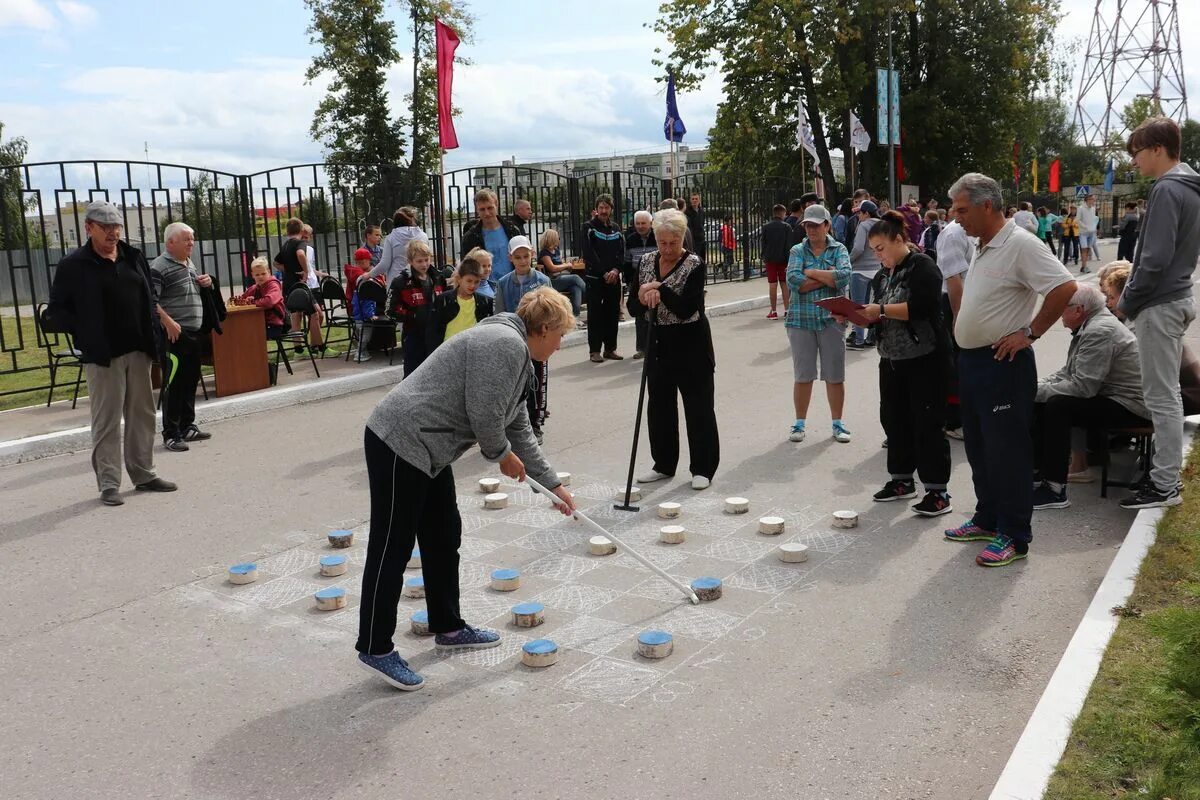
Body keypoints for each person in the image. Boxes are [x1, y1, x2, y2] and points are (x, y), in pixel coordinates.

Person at [355, 287, 577, 691]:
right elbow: (485, 414)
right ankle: (375, 646)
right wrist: (501, 455)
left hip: (429, 449)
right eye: (560, 336)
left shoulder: (517, 350)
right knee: (392, 545)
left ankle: (447, 625)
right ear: (543, 329)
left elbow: (516, 422)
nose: (560, 345)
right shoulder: (504, 344)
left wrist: (552, 484)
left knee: (443, 535)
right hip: (399, 440)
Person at [943, 172, 1076, 568]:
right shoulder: (981, 244)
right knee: (980, 447)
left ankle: (1015, 536)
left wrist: (1030, 333)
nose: (956, 218)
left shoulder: (1020, 243)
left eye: (962, 210)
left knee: (1008, 452)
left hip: (1004, 363)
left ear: (988, 206)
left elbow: (1064, 288)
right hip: (973, 362)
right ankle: (987, 518)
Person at [43, 200, 176, 506]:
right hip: (103, 355)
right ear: (88, 228)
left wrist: (153, 335)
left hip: (139, 349)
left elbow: (148, 297)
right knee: (107, 419)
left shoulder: (133, 256)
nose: (113, 233)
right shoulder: (74, 264)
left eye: (116, 226)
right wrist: (86, 330)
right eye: (105, 227)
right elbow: (57, 311)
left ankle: (144, 474)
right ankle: (108, 483)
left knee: (142, 416)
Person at [1116, 115, 1200, 509]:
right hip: (1176, 297)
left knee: (1161, 398)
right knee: (1166, 395)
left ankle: (1164, 485)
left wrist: (1126, 301)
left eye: (1136, 153)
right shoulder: (1189, 187)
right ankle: (1164, 479)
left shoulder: (1168, 189)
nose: (1134, 162)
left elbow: (1153, 260)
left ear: (1157, 150)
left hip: (1160, 303)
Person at [855, 210, 952, 516]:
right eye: (874, 251)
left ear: (899, 240)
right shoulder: (884, 275)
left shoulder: (923, 265)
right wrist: (856, 315)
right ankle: (901, 480)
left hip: (924, 358)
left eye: (881, 248)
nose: (878, 256)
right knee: (894, 419)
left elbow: (922, 307)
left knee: (927, 423)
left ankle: (937, 491)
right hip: (891, 358)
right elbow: (878, 315)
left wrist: (879, 309)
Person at [1030, 284, 1150, 510]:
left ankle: (1054, 488)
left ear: (1078, 310)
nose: (1057, 314)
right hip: (1115, 396)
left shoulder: (1099, 330)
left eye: (1062, 308)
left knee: (1058, 406)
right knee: (1043, 401)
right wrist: (1035, 388)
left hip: (1132, 405)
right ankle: (1038, 476)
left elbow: (1083, 388)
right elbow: (1068, 372)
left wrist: (1031, 392)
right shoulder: (1091, 324)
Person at [630, 208, 720, 491]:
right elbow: (633, 306)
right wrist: (644, 297)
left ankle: (703, 468)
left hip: (691, 343)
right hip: (658, 343)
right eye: (662, 242)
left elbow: (687, 309)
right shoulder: (645, 261)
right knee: (659, 407)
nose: (667, 249)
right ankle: (664, 464)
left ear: (682, 238)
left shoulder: (694, 264)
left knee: (699, 407)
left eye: (673, 242)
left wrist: (660, 289)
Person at [784, 204, 853, 445]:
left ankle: (837, 423)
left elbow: (844, 275)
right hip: (800, 319)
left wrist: (810, 272)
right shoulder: (797, 250)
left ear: (827, 225)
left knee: (834, 374)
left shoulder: (839, 248)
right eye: (807, 225)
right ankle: (799, 423)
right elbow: (794, 281)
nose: (811, 229)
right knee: (803, 374)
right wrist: (827, 277)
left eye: (816, 225)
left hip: (831, 319)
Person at [150, 221, 213, 452]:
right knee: (173, 384)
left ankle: (187, 426)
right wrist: (168, 322)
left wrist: (205, 283)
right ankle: (171, 433)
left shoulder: (188, 263)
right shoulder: (159, 266)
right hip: (174, 335)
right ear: (170, 242)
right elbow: (150, 301)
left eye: (192, 238)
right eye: (186, 238)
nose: (191, 242)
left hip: (192, 333)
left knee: (190, 381)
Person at [498, 236, 553, 444]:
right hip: (514, 342)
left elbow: (551, 308)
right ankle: (514, 425)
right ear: (510, 258)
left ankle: (536, 424)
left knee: (537, 383)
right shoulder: (504, 283)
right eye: (518, 257)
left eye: (526, 256)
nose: (522, 261)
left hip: (537, 342)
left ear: (532, 254)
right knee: (514, 386)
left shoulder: (542, 280)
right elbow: (500, 313)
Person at [581, 193, 625, 363]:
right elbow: (589, 253)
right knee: (595, 315)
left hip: (614, 279)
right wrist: (603, 273)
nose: (604, 210)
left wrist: (616, 270)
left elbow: (621, 252)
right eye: (601, 207)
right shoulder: (588, 227)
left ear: (611, 209)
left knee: (612, 314)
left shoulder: (616, 228)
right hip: (595, 279)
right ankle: (594, 351)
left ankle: (610, 349)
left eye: (607, 207)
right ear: (596, 209)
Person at [389, 239, 444, 377]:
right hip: (413, 335)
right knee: (412, 375)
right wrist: (413, 316)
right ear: (410, 261)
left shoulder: (438, 277)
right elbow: (390, 310)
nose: (424, 264)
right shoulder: (401, 282)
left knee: (435, 373)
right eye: (419, 261)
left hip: (436, 334)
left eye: (427, 260)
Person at [938, 219, 972, 439]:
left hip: (969, 302)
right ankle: (953, 420)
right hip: (954, 303)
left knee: (964, 363)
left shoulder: (976, 231)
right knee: (955, 364)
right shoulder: (953, 234)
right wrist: (958, 315)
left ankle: (962, 416)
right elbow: (953, 279)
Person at [431, 256, 493, 347]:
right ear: (459, 279)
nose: (472, 285)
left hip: (474, 349)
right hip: (447, 350)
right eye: (469, 281)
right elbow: (433, 331)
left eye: (477, 282)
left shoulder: (485, 302)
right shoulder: (443, 300)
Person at [461, 188, 522, 281]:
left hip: (513, 285)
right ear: (477, 210)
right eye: (482, 209)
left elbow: (523, 256)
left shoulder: (512, 230)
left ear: (496, 205)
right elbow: (466, 268)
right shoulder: (471, 237)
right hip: (484, 289)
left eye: (490, 208)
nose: (487, 213)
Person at [847, 199, 882, 349]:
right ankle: (870, 338)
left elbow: (858, 248)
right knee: (870, 306)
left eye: (860, 213)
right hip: (876, 269)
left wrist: (848, 260)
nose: (858, 216)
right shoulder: (881, 225)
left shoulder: (864, 225)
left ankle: (859, 340)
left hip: (860, 270)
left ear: (866, 213)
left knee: (857, 307)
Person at [538, 228, 587, 326]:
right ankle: (590, 294)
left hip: (561, 277)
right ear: (552, 238)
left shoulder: (555, 251)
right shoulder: (544, 253)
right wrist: (566, 265)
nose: (559, 240)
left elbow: (560, 264)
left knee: (576, 288)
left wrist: (567, 266)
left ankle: (574, 318)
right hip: (552, 281)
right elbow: (552, 268)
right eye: (558, 238)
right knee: (575, 278)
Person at [623, 212, 656, 355]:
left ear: (651, 223)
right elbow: (627, 261)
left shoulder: (657, 237)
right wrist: (631, 282)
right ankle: (641, 349)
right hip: (637, 282)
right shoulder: (630, 239)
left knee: (656, 315)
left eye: (644, 223)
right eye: (638, 223)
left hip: (655, 281)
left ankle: (655, 346)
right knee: (640, 316)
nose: (641, 226)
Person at [371, 207, 430, 285]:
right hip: (419, 279)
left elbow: (385, 264)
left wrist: (369, 274)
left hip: (396, 281)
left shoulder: (391, 238)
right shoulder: (423, 236)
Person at [234, 257, 286, 337]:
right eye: (257, 275)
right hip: (260, 322)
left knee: (247, 334)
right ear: (252, 275)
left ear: (269, 272)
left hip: (274, 325)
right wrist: (243, 301)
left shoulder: (273, 285)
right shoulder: (255, 288)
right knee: (238, 330)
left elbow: (269, 301)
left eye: (263, 274)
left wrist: (252, 302)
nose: (260, 277)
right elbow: (241, 299)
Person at [761, 204, 793, 320]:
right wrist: (789, 261)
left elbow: (763, 243)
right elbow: (789, 245)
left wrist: (764, 257)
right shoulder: (787, 227)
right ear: (782, 213)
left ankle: (773, 311)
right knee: (784, 284)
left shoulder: (766, 227)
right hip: (784, 260)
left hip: (770, 260)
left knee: (772, 284)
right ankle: (787, 310)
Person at [1077, 194, 1099, 273]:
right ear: (1087, 200)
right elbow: (1078, 220)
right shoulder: (1081, 208)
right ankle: (1084, 266)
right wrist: (1086, 227)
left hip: (1092, 233)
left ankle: (1083, 266)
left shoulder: (1093, 208)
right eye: (1092, 199)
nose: (1094, 201)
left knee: (1088, 250)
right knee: (1084, 249)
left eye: (1094, 199)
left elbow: (1093, 219)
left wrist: (1094, 228)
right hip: (1083, 233)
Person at [684, 192, 706, 260]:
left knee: (702, 260)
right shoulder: (687, 212)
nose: (694, 200)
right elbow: (689, 228)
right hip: (694, 241)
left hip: (702, 240)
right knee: (695, 260)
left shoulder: (701, 211)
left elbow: (702, 224)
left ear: (699, 200)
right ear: (690, 200)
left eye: (696, 199)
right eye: (693, 199)